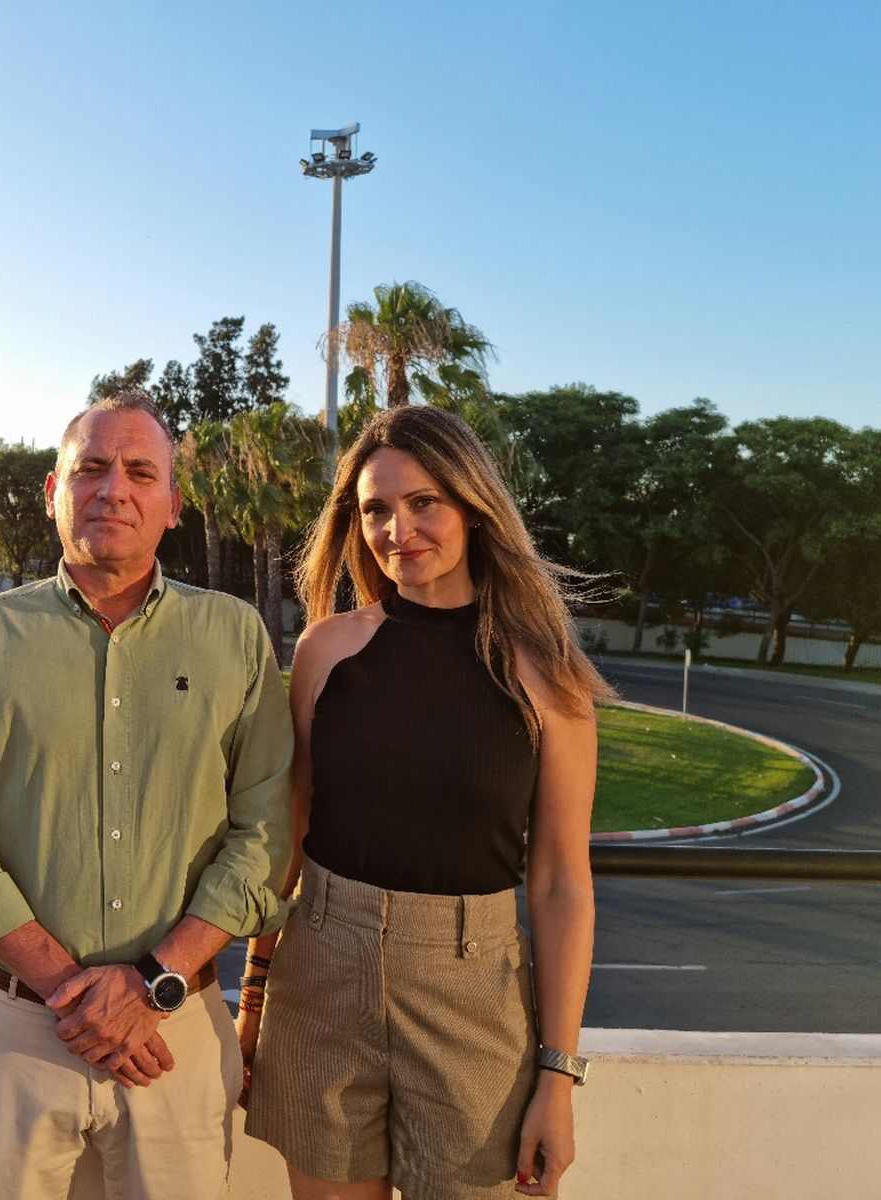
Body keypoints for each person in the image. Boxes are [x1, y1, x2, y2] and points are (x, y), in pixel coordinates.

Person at [0, 391, 294, 1200]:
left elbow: (265, 833)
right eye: (89, 468)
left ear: (170, 504)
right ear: (54, 492)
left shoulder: (235, 637)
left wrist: (151, 981)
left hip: (174, 1029)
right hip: (12, 1025)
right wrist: (70, 990)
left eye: (138, 471)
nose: (112, 488)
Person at [242, 406, 610, 1200]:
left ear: (474, 507)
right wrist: (252, 1002)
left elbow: (559, 885)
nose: (396, 530)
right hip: (322, 978)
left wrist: (559, 1075)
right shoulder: (326, 651)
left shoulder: (548, 678)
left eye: (423, 503)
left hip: (472, 991)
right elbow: (289, 835)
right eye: (374, 508)